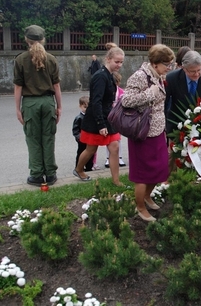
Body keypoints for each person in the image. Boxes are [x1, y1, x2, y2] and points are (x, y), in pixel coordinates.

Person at [121, 44, 176, 222]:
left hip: (158, 130)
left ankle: (147, 196)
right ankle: (140, 207)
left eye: (171, 64)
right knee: (142, 173)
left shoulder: (157, 75)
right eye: (167, 64)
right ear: (155, 62)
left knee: (160, 168)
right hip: (142, 132)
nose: (169, 68)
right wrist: (148, 95)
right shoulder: (139, 76)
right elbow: (126, 100)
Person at [13, 25, 62, 187]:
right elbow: (56, 86)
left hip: (30, 103)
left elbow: (18, 87)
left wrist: (18, 109)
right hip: (48, 102)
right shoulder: (51, 59)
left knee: (33, 139)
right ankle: (50, 174)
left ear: (27, 40)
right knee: (48, 137)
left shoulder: (20, 60)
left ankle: (36, 174)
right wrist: (59, 107)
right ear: (43, 40)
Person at [73, 42, 124, 186]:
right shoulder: (100, 76)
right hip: (96, 118)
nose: (119, 65)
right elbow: (96, 102)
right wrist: (101, 124)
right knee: (91, 149)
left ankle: (116, 181)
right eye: (116, 62)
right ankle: (78, 169)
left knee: (114, 147)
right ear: (108, 59)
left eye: (121, 62)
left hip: (108, 116)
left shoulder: (110, 75)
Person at [165, 50, 201, 135]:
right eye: (192, 71)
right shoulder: (172, 78)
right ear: (184, 68)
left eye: (199, 70)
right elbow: (165, 104)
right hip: (176, 126)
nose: (196, 74)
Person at [104, 71, 126, 169]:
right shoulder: (107, 91)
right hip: (109, 117)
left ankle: (119, 157)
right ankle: (108, 158)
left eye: (117, 82)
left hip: (118, 117)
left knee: (118, 139)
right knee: (109, 139)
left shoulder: (121, 92)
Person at [72, 96, 95, 171]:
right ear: (80, 106)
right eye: (85, 107)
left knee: (91, 153)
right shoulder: (79, 118)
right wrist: (79, 137)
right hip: (81, 140)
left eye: (88, 107)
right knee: (80, 153)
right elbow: (75, 130)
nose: (86, 109)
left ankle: (89, 167)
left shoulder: (91, 117)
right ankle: (78, 167)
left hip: (90, 139)